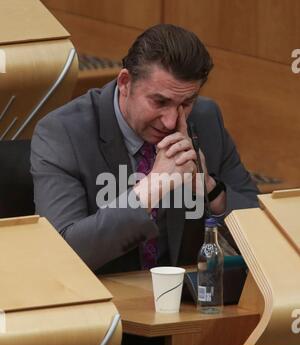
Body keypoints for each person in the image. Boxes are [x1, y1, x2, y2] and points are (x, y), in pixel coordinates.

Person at [31, 24, 258, 276]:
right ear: (125, 83)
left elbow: (266, 239)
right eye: (159, 102)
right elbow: (63, 254)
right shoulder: (63, 133)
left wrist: (209, 187)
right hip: (103, 303)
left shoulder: (206, 119)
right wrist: (152, 187)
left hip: (186, 306)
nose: (171, 121)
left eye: (186, 103)